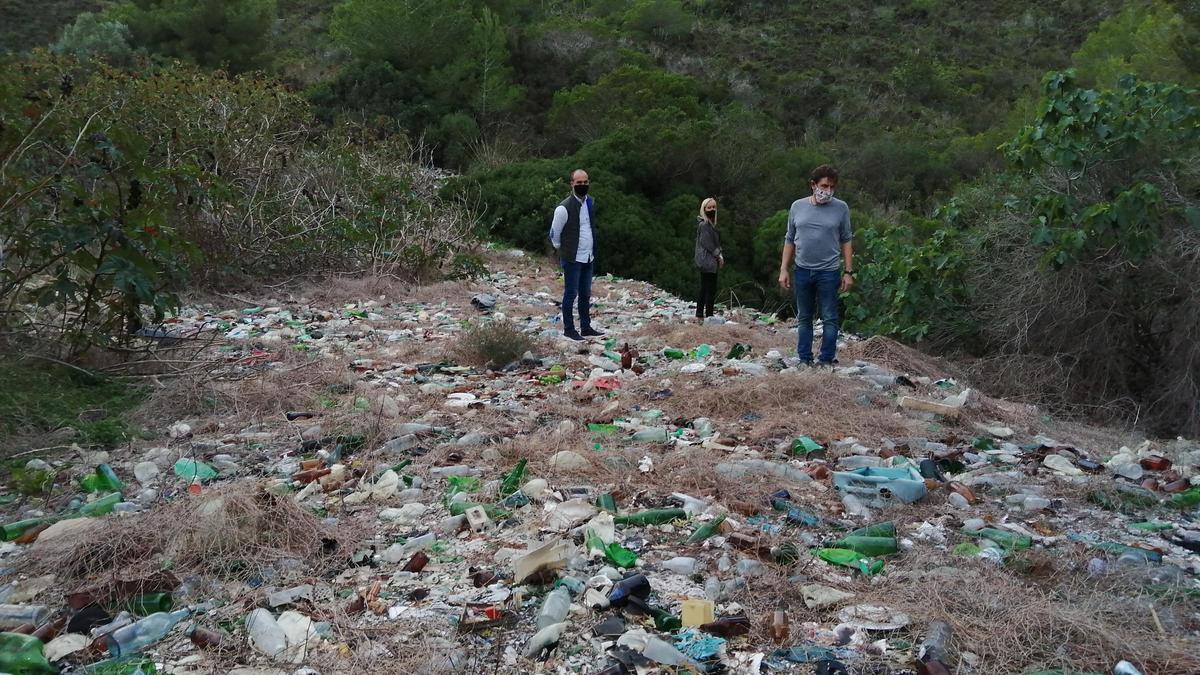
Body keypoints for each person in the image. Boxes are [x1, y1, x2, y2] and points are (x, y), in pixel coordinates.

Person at [778, 165, 854, 366]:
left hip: (829, 272)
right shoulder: (797, 207)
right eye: (824, 186)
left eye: (831, 187)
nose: (827, 190)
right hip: (802, 270)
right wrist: (784, 269)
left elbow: (846, 239)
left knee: (829, 317)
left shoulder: (841, 208)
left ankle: (826, 360)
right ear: (813, 185)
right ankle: (804, 358)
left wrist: (848, 271)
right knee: (804, 317)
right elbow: (790, 238)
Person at [549, 169, 604, 341]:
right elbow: (554, 233)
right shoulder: (563, 208)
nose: (582, 186)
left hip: (588, 256)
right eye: (579, 183)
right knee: (570, 293)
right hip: (572, 257)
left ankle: (586, 327)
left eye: (585, 182)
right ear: (572, 184)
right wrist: (561, 248)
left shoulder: (590, 203)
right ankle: (569, 329)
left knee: (585, 294)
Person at [694, 197, 723, 320]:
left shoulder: (710, 225)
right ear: (704, 209)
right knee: (709, 289)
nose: (712, 209)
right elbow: (707, 243)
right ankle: (708, 314)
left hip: (707, 261)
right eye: (709, 207)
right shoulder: (705, 225)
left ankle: (701, 313)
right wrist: (719, 255)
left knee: (705, 288)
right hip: (707, 261)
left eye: (713, 207)